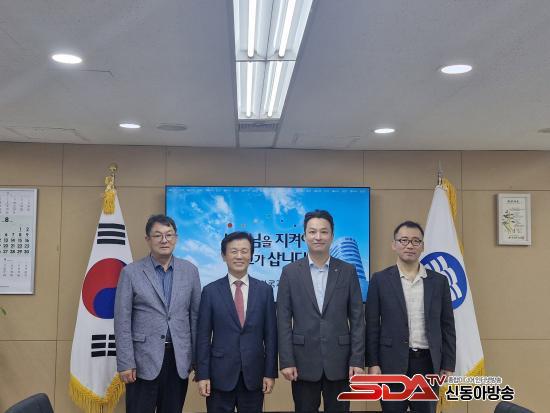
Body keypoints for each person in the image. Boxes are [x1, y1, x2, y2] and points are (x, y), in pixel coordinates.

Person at [277, 209, 365, 412]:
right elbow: (283, 320)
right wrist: (287, 361)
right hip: (302, 363)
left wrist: (357, 360)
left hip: (341, 363)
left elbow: (357, 319)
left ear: (332, 236)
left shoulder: (348, 271)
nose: (318, 237)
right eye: (312, 232)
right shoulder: (290, 272)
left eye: (324, 232)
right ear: (304, 236)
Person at [114, 214, 201, 413]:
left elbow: (195, 317)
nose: (164, 240)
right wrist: (125, 362)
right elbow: (122, 320)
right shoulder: (131, 272)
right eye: (158, 235)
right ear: (148, 239)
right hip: (141, 361)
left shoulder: (190, 271)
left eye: (169, 235)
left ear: (176, 238)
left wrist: (198, 360)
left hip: (178, 360)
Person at [366, 220, 456, 413]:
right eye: (404, 240)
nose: (409, 245)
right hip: (390, 363)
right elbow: (372, 326)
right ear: (394, 244)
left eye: (416, 241)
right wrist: (373, 363)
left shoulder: (439, 282)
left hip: (427, 363)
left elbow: (447, 326)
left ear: (422, 246)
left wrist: (448, 364)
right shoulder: (380, 280)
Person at [196, 231, 278, 412]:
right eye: (233, 251)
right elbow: (203, 337)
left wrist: (270, 373)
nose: (239, 256)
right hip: (219, 376)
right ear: (224, 256)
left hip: (254, 375)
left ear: (251, 255)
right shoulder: (210, 291)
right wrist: (202, 375)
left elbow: (271, 336)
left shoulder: (265, 291)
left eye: (244, 251)